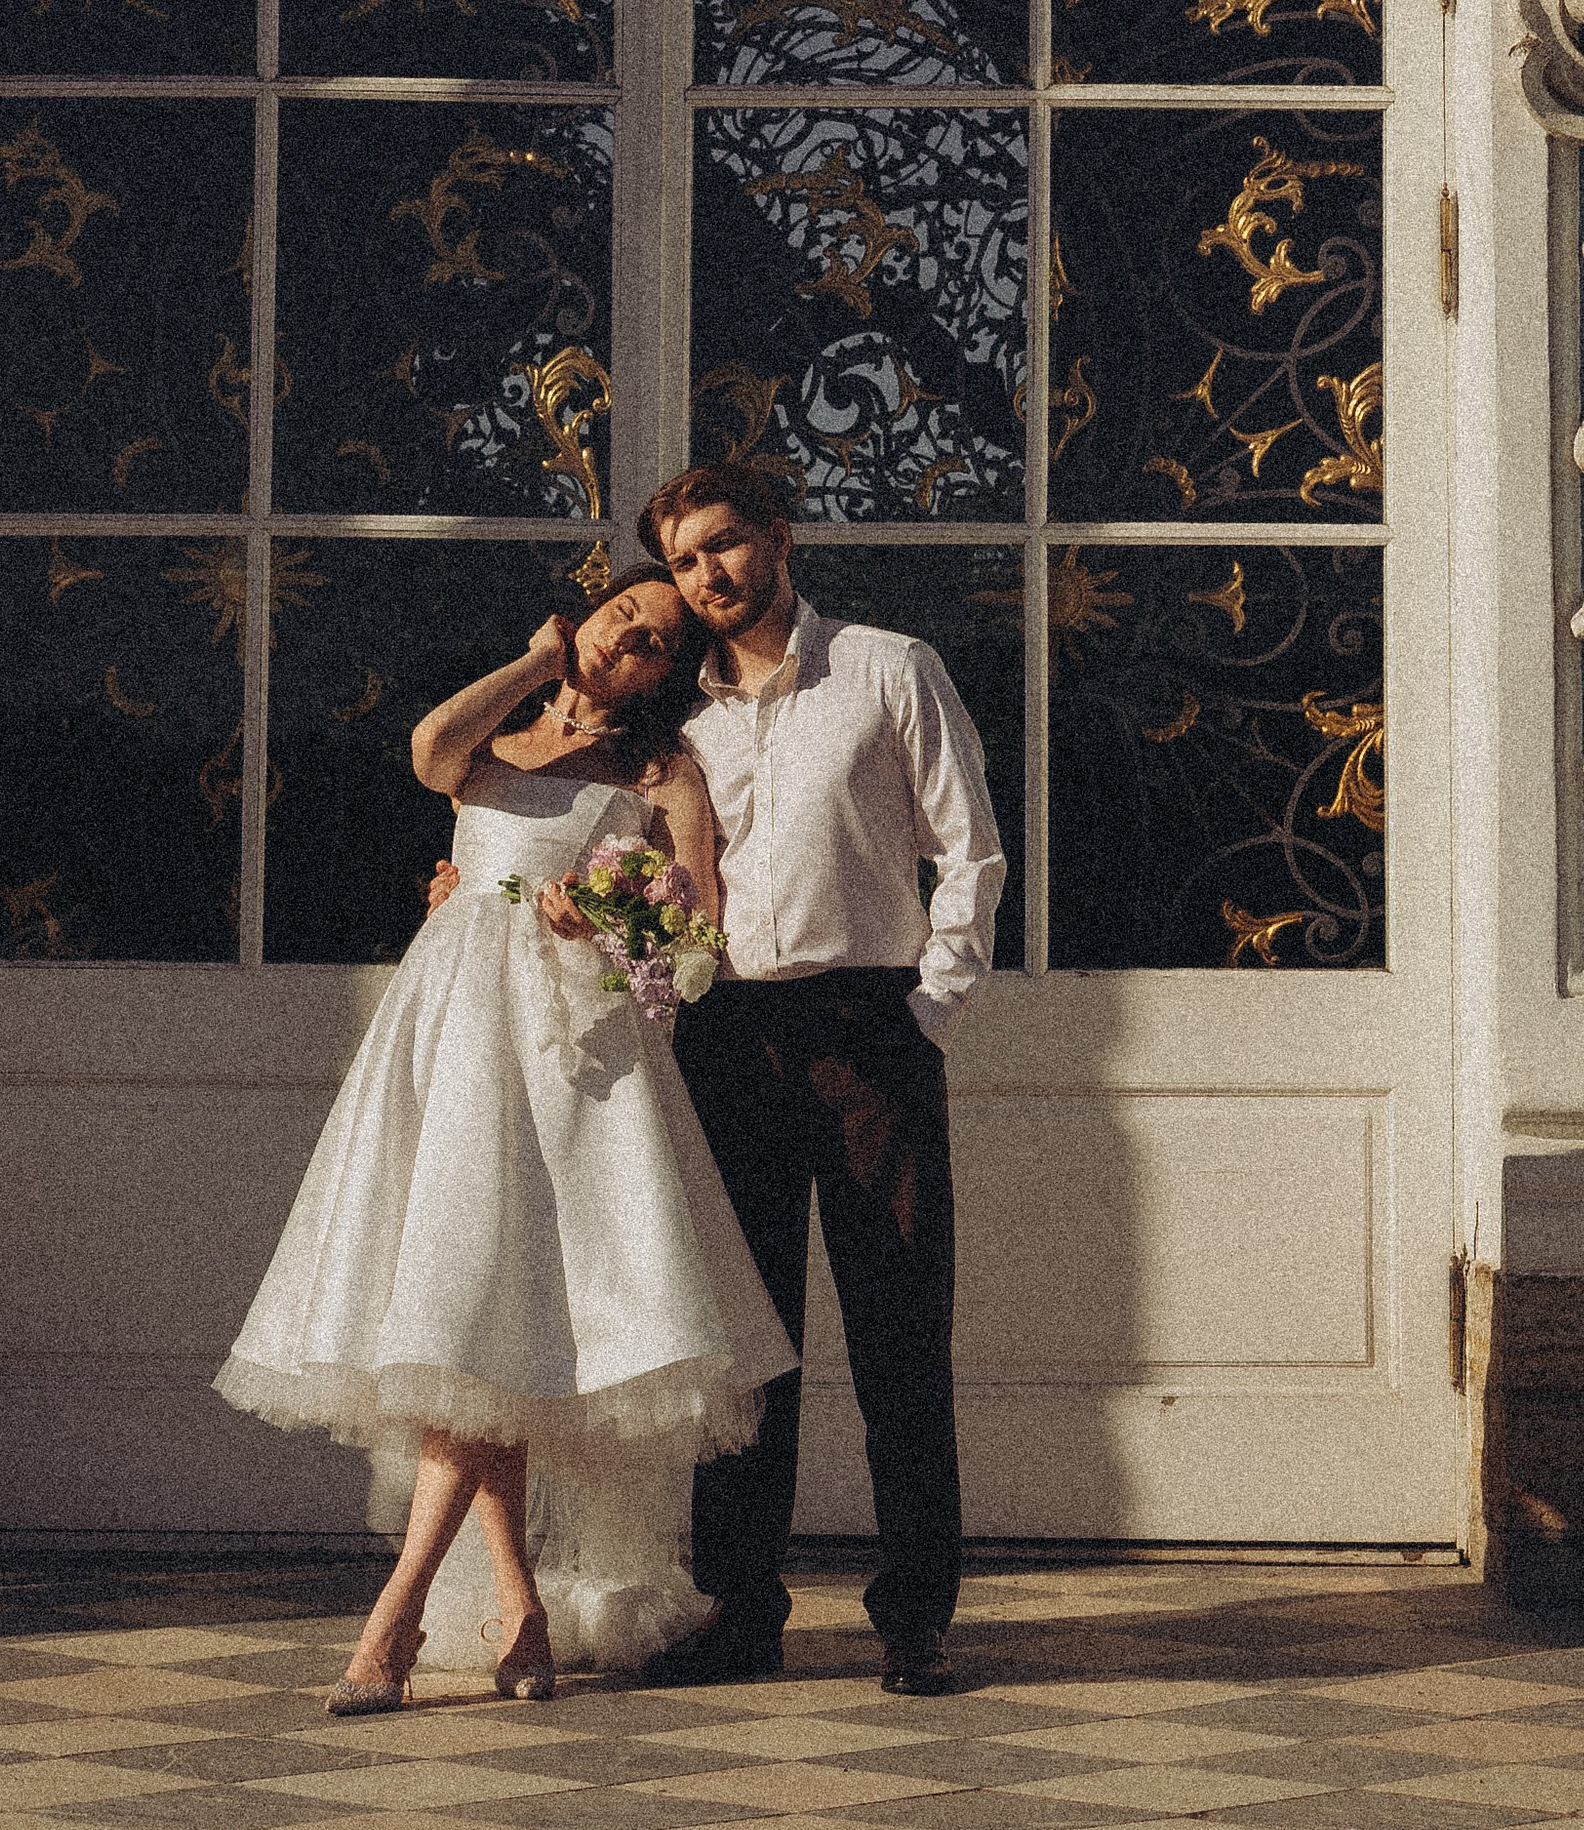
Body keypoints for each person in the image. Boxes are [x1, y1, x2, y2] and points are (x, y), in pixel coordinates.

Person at [214, 571, 796, 1713]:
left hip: (570, 1054)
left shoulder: (658, 771)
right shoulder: (499, 738)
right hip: (449, 1036)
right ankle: (518, 1610)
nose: (631, 640)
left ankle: (395, 1617)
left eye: (655, 643)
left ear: (663, 678)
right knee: (478, 1328)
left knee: (488, 1325)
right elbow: (432, 747)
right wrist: (538, 664)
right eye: (622, 615)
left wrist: (611, 912)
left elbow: (697, 938)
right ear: (582, 617)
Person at [634, 460, 1006, 1698]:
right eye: (685, 562)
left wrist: (928, 1009)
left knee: (900, 1331)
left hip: (868, 1029)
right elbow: (636, 873)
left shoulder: (888, 668)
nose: (709, 577)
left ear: (778, 540)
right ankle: (742, 1611)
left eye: (726, 546)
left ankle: (915, 1617)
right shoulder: (669, 717)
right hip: (723, 1037)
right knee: (749, 1349)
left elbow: (969, 849)